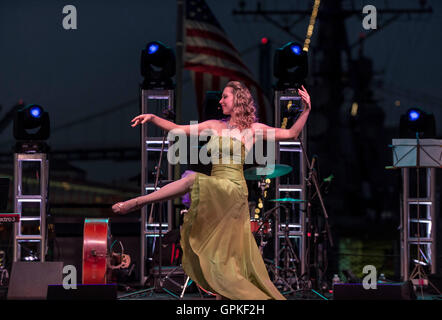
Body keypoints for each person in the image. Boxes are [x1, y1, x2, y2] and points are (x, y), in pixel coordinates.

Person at [112, 81, 311, 300]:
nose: (221, 101)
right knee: (223, 255)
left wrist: (306, 110)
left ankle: (140, 201)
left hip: (234, 190)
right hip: (217, 189)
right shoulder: (215, 125)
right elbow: (179, 129)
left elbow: (292, 134)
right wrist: (152, 118)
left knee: (192, 179)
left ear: (238, 99)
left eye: (225, 96)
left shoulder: (254, 130)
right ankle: (222, 297)